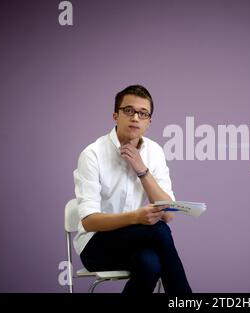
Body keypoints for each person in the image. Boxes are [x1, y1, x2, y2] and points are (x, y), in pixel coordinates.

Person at [72, 84, 192, 293]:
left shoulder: (154, 151)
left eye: (142, 113)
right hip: (96, 246)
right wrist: (136, 218)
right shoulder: (92, 154)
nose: (135, 117)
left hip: (137, 244)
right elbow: (89, 221)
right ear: (115, 116)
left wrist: (141, 169)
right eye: (129, 111)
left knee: (151, 263)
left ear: (149, 122)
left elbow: (169, 214)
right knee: (158, 229)